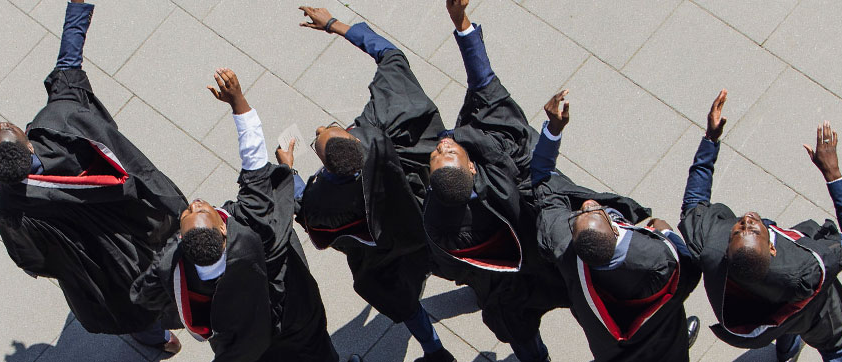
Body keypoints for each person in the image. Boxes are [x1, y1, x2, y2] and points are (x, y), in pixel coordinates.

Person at [0, 0, 185, 355]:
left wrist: (69, 262)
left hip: (95, 262)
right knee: (161, 273)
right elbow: (68, 63)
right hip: (136, 224)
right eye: (7, 131)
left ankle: (157, 339)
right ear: (29, 148)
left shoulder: (9, 208)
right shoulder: (62, 125)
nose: (3, 124)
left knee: (128, 299)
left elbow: (30, 258)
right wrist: (77, 8)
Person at [131, 69, 341, 362]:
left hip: (253, 349)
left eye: (189, 211)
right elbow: (255, 167)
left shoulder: (176, 268)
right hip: (297, 318)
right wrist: (237, 102)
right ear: (224, 233)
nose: (195, 203)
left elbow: (142, 294)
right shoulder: (258, 232)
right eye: (201, 209)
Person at [294, 6, 454, 362]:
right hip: (434, 222)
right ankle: (472, 281)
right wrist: (335, 26)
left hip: (390, 257)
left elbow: (304, 210)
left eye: (318, 136)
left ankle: (434, 350)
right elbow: (389, 55)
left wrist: (287, 171)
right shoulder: (388, 119)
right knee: (450, 260)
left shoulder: (326, 201)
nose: (320, 129)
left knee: (398, 297)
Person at [420, 1, 565, 361]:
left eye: (438, 155)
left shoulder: (437, 223)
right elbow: (485, 84)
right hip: (542, 258)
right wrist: (551, 131)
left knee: (519, 328)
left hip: (497, 285)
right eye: (446, 153)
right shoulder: (504, 167)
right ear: (472, 168)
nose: (442, 144)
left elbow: (448, 264)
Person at [677, 90, 842, 362]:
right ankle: (792, 350)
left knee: (782, 320)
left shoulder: (711, 245)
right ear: (773, 249)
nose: (747, 220)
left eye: (740, 227)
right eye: (751, 229)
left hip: (764, 316)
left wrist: (711, 139)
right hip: (813, 316)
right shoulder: (806, 269)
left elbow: (694, 203)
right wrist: (833, 174)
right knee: (836, 348)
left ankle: (787, 352)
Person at [530, 91, 702, 361]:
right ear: (612, 224)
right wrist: (665, 231)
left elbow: (542, 180)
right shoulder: (657, 257)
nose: (586, 203)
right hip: (665, 337)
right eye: (593, 210)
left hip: (611, 349)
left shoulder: (563, 243)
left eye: (582, 212)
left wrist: (553, 131)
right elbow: (690, 272)